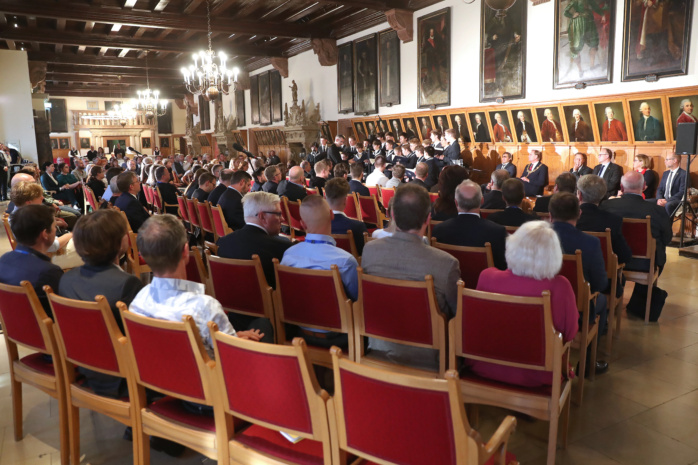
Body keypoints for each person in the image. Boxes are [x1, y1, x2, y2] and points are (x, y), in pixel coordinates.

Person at [130, 215, 271, 359]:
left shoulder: (137, 303)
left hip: (163, 376)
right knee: (263, 326)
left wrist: (235, 337)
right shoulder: (205, 307)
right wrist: (237, 341)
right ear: (185, 251)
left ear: (144, 255)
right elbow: (231, 357)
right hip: (215, 377)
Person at [469, 221, 578, 387]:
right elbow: (570, 334)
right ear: (553, 254)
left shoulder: (487, 276)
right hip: (539, 373)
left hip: (485, 364)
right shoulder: (560, 286)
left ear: (512, 247)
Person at [361, 184, 459, 368]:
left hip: (379, 349)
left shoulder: (370, 250)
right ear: (428, 219)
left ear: (392, 216)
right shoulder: (446, 263)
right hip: (429, 359)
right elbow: (457, 315)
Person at [58, 209, 143, 397]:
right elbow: (139, 339)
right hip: (121, 377)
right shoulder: (126, 284)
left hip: (83, 366)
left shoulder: (66, 279)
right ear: (120, 242)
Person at [280, 195, 359, 349]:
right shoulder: (345, 261)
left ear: (302, 224)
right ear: (331, 215)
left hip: (298, 332)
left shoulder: (288, 255)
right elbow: (358, 302)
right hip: (339, 338)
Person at [550, 192, 609, 371]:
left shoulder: (535, 237)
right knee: (603, 300)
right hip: (577, 307)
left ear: (550, 215)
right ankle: (588, 364)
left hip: (538, 299)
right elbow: (600, 284)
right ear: (579, 214)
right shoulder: (590, 243)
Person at [217, 192, 292, 290]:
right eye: (278, 214)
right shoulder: (282, 247)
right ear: (262, 217)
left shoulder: (222, 243)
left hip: (227, 303)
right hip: (270, 304)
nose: (282, 219)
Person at [600, 171, 672, 273]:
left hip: (613, 259)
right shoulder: (657, 210)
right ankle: (644, 288)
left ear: (621, 187)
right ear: (643, 187)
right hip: (646, 264)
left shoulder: (606, 206)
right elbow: (667, 239)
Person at [0, 204, 63, 317]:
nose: (55, 230)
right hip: (47, 332)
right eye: (54, 226)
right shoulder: (48, 272)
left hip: (15, 329)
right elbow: (63, 311)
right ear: (45, 234)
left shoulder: (3, 261)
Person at [432, 180, 507, 270]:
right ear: (482, 201)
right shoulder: (497, 232)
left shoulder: (439, 230)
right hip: (484, 283)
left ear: (456, 203)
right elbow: (502, 267)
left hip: (451, 283)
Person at [576, 174, 632, 267]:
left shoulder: (568, 219)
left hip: (571, 277)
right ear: (602, 196)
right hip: (603, 276)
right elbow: (624, 256)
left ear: (579, 195)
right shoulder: (613, 220)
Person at [325, 178, 367, 256]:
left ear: (325, 198)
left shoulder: (319, 225)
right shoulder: (357, 226)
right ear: (345, 200)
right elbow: (364, 254)